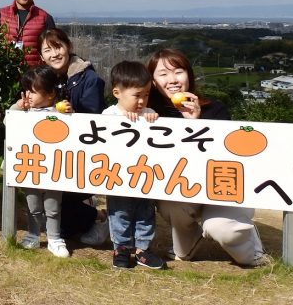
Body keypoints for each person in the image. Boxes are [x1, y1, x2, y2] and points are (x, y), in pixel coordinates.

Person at [147, 48, 268, 267]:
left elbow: (226, 156)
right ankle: (187, 243)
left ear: (189, 76)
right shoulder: (152, 116)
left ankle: (253, 251)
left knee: (220, 228)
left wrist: (195, 123)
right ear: (154, 82)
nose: (172, 80)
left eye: (178, 71)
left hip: (220, 189)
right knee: (170, 201)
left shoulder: (215, 110)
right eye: (163, 74)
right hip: (184, 190)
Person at [37, 27, 107, 242]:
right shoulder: (46, 79)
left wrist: (73, 115)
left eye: (58, 47)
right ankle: (86, 210)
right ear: (41, 56)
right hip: (54, 151)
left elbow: (95, 123)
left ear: (68, 47)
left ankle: (97, 216)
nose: (54, 54)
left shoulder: (88, 79)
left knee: (63, 222)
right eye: (47, 50)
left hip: (80, 155)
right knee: (42, 210)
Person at [102, 61, 165, 269]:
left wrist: (151, 118)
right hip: (118, 176)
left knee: (146, 212)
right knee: (119, 212)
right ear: (117, 92)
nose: (142, 101)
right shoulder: (109, 115)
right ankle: (121, 248)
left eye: (146, 95)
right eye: (137, 95)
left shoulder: (148, 112)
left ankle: (142, 249)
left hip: (144, 175)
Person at [10, 65, 70, 258]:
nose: (28, 96)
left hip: (54, 168)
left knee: (53, 206)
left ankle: (54, 238)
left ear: (51, 94)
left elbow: (73, 128)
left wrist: (69, 112)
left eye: (33, 92)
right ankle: (33, 233)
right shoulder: (24, 112)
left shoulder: (59, 112)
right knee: (33, 204)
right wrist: (18, 107)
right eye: (25, 91)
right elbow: (8, 122)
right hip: (31, 165)